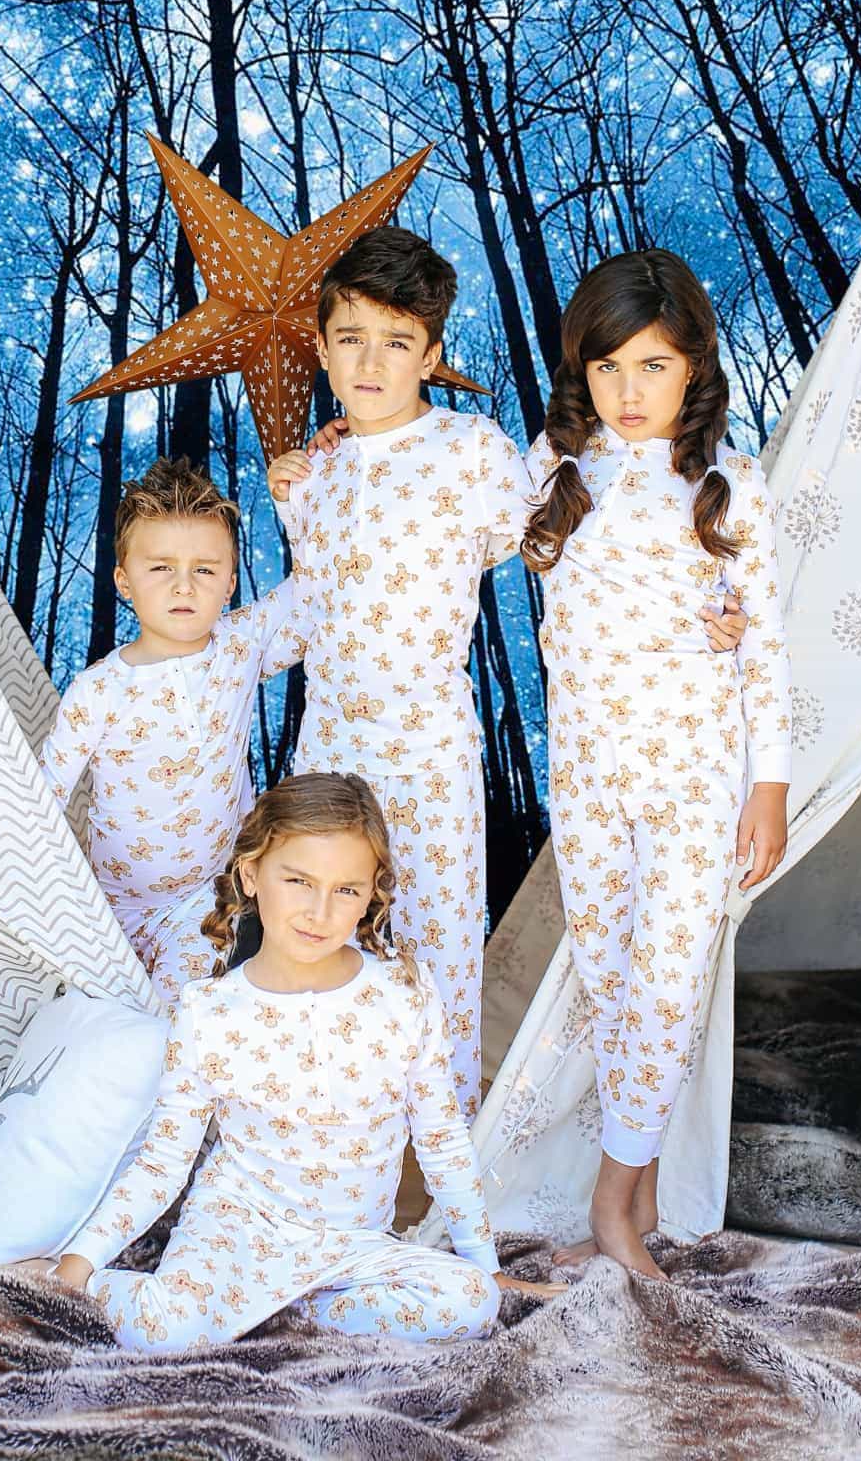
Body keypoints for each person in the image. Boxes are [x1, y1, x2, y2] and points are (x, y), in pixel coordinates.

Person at [265, 228, 748, 1114]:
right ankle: (320, 1134)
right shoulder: (309, 477)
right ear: (323, 347)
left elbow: (586, 541)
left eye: (397, 342)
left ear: (432, 353)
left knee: (440, 955)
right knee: (316, 942)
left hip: (432, 756)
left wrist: (713, 616)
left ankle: (439, 1159)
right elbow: (307, 603)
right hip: (327, 752)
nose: (371, 362)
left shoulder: (479, 452)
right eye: (350, 339)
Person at [53, 773, 563, 1347]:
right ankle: (201, 1308)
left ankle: (287, 1318)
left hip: (350, 1247)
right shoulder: (209, 1011)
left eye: (346, 890)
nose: (319, 911)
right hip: (235, 1233)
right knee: (165, 1331)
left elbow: (441, 1137)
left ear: (371, 894)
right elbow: (162, 1162)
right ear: (252, 876)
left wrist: (483, 1262)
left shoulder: (405, 997)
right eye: (298, 881)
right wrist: (79, 1264)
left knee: (472, 1302)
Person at [520, 249, 790, 1277]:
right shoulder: (554, 481)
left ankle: (614, 1200)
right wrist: (322, 457)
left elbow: (763, 645)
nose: (628, 392)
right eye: (606, 369)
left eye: (653, 366)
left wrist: (769, 781)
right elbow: (445, 496)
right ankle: (616, 1199)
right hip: (588, 783)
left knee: (667, 989)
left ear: (693, 370)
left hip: (695, 782)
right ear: (579, 374)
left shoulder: (729, 490)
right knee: (611, 986)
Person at [41, 458, 307, 1005]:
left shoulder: (241, 646)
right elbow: (41, 799)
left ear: (230, 581)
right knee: (96, 1028)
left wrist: (295, 496)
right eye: (161, 568)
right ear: (124, 581)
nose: (184, 586)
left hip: (204, 901)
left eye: (205, 570)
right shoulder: (97, 690)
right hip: (109, 911)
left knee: (176, 1019)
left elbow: (312, 588)